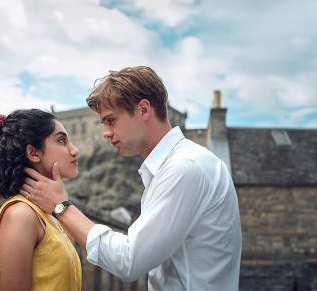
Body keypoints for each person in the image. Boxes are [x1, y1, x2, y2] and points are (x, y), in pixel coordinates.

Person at [21, 66, 242, 290]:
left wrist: (61, 206)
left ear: (143, 110)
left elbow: (129, 261)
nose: (105, 133)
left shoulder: (185, 168)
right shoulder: (179, 165)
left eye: (111, 121)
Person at [0, 109, 82, 291]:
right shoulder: (21, 214)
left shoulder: (46, 215)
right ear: (33, 153)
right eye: (61, 140)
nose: (75, 150)